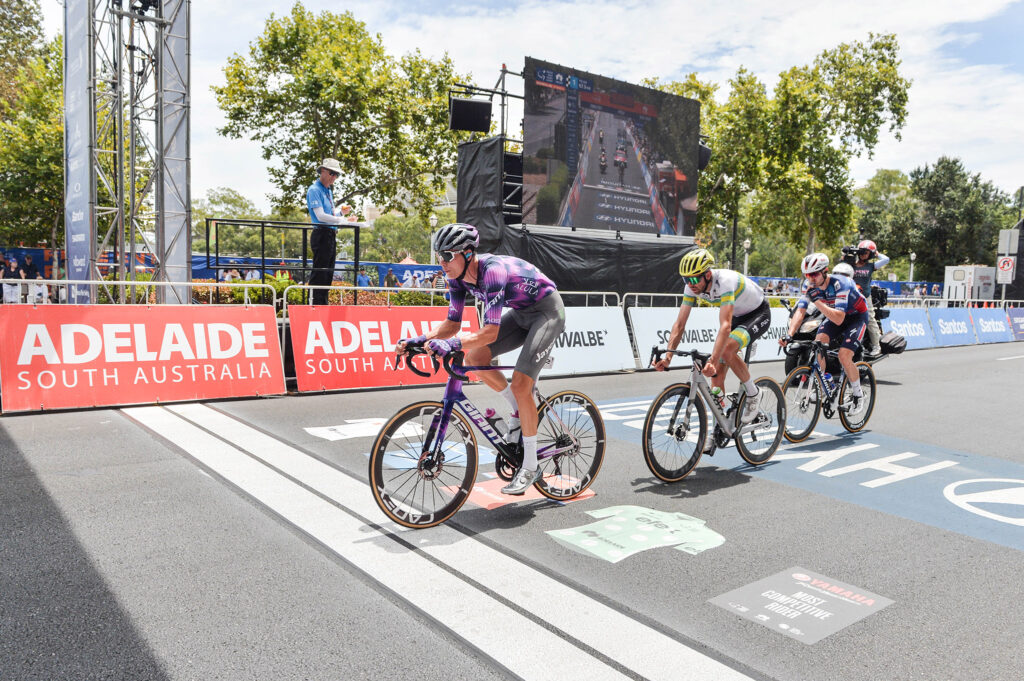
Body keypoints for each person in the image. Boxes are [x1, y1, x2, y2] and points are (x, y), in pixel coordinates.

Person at [396, 223, 565, 496]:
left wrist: (451, 344)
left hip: (547, 312)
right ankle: (517, 410)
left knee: (522, 384)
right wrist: (419, 339)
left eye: (448, 256)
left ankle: (531, 465)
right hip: (521, 314)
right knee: (475, 357)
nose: (442, 263)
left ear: (469, 253)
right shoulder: (456, 278)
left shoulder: (493, 271)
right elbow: (451, 325)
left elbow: (490, 332)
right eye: (439, 255)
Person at [653, 248, 772, 440]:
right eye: (685, 280)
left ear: (707, 275)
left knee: (724, 353)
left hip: (757, 314)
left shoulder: (725, 281)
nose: (690, 284)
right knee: (715, 378)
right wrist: (668, 358)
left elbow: (725, 327)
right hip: (736, 316)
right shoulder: (691, 286)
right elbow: (680, 323)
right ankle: (721, 428)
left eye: (693, 279)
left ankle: (753, 393)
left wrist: (714, 360)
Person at [781, 252, 869, 413]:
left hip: (856, 317)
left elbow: (839, 319)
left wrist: (817, 301)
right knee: (818, 343)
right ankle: (826, 385)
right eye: (807, 275)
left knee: (844, 356)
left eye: (814, 274)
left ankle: (858, 395)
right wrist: (789, 335)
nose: (811, 278)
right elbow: (800, 312)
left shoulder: (841, 284)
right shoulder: (809, 286)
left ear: (824, 271)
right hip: (835, 315)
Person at [306, 157, 353, 305]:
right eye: (332, 173)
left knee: (328, 273)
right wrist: (341, 220)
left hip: (330, 233)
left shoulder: (327, 190)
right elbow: (320, 216)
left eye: (337, 175)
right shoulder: (314, 189)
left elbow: (330, 215)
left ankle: (322, 304)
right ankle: (314, 305)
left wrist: (341, 214)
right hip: (321, 233)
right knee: (320, 272)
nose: (334, 177)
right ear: (323, 171)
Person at [841, 240, 889, 357]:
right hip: (849, 296)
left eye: (866, 253)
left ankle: (876, 346)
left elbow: (886, 260)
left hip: (865, 297)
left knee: (870, 320)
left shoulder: (871, 266)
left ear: (871, 255)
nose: (863, 254)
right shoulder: (851, 264)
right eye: (861, 252)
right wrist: (845, 253)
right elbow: (840, 266)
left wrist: (876, 253)